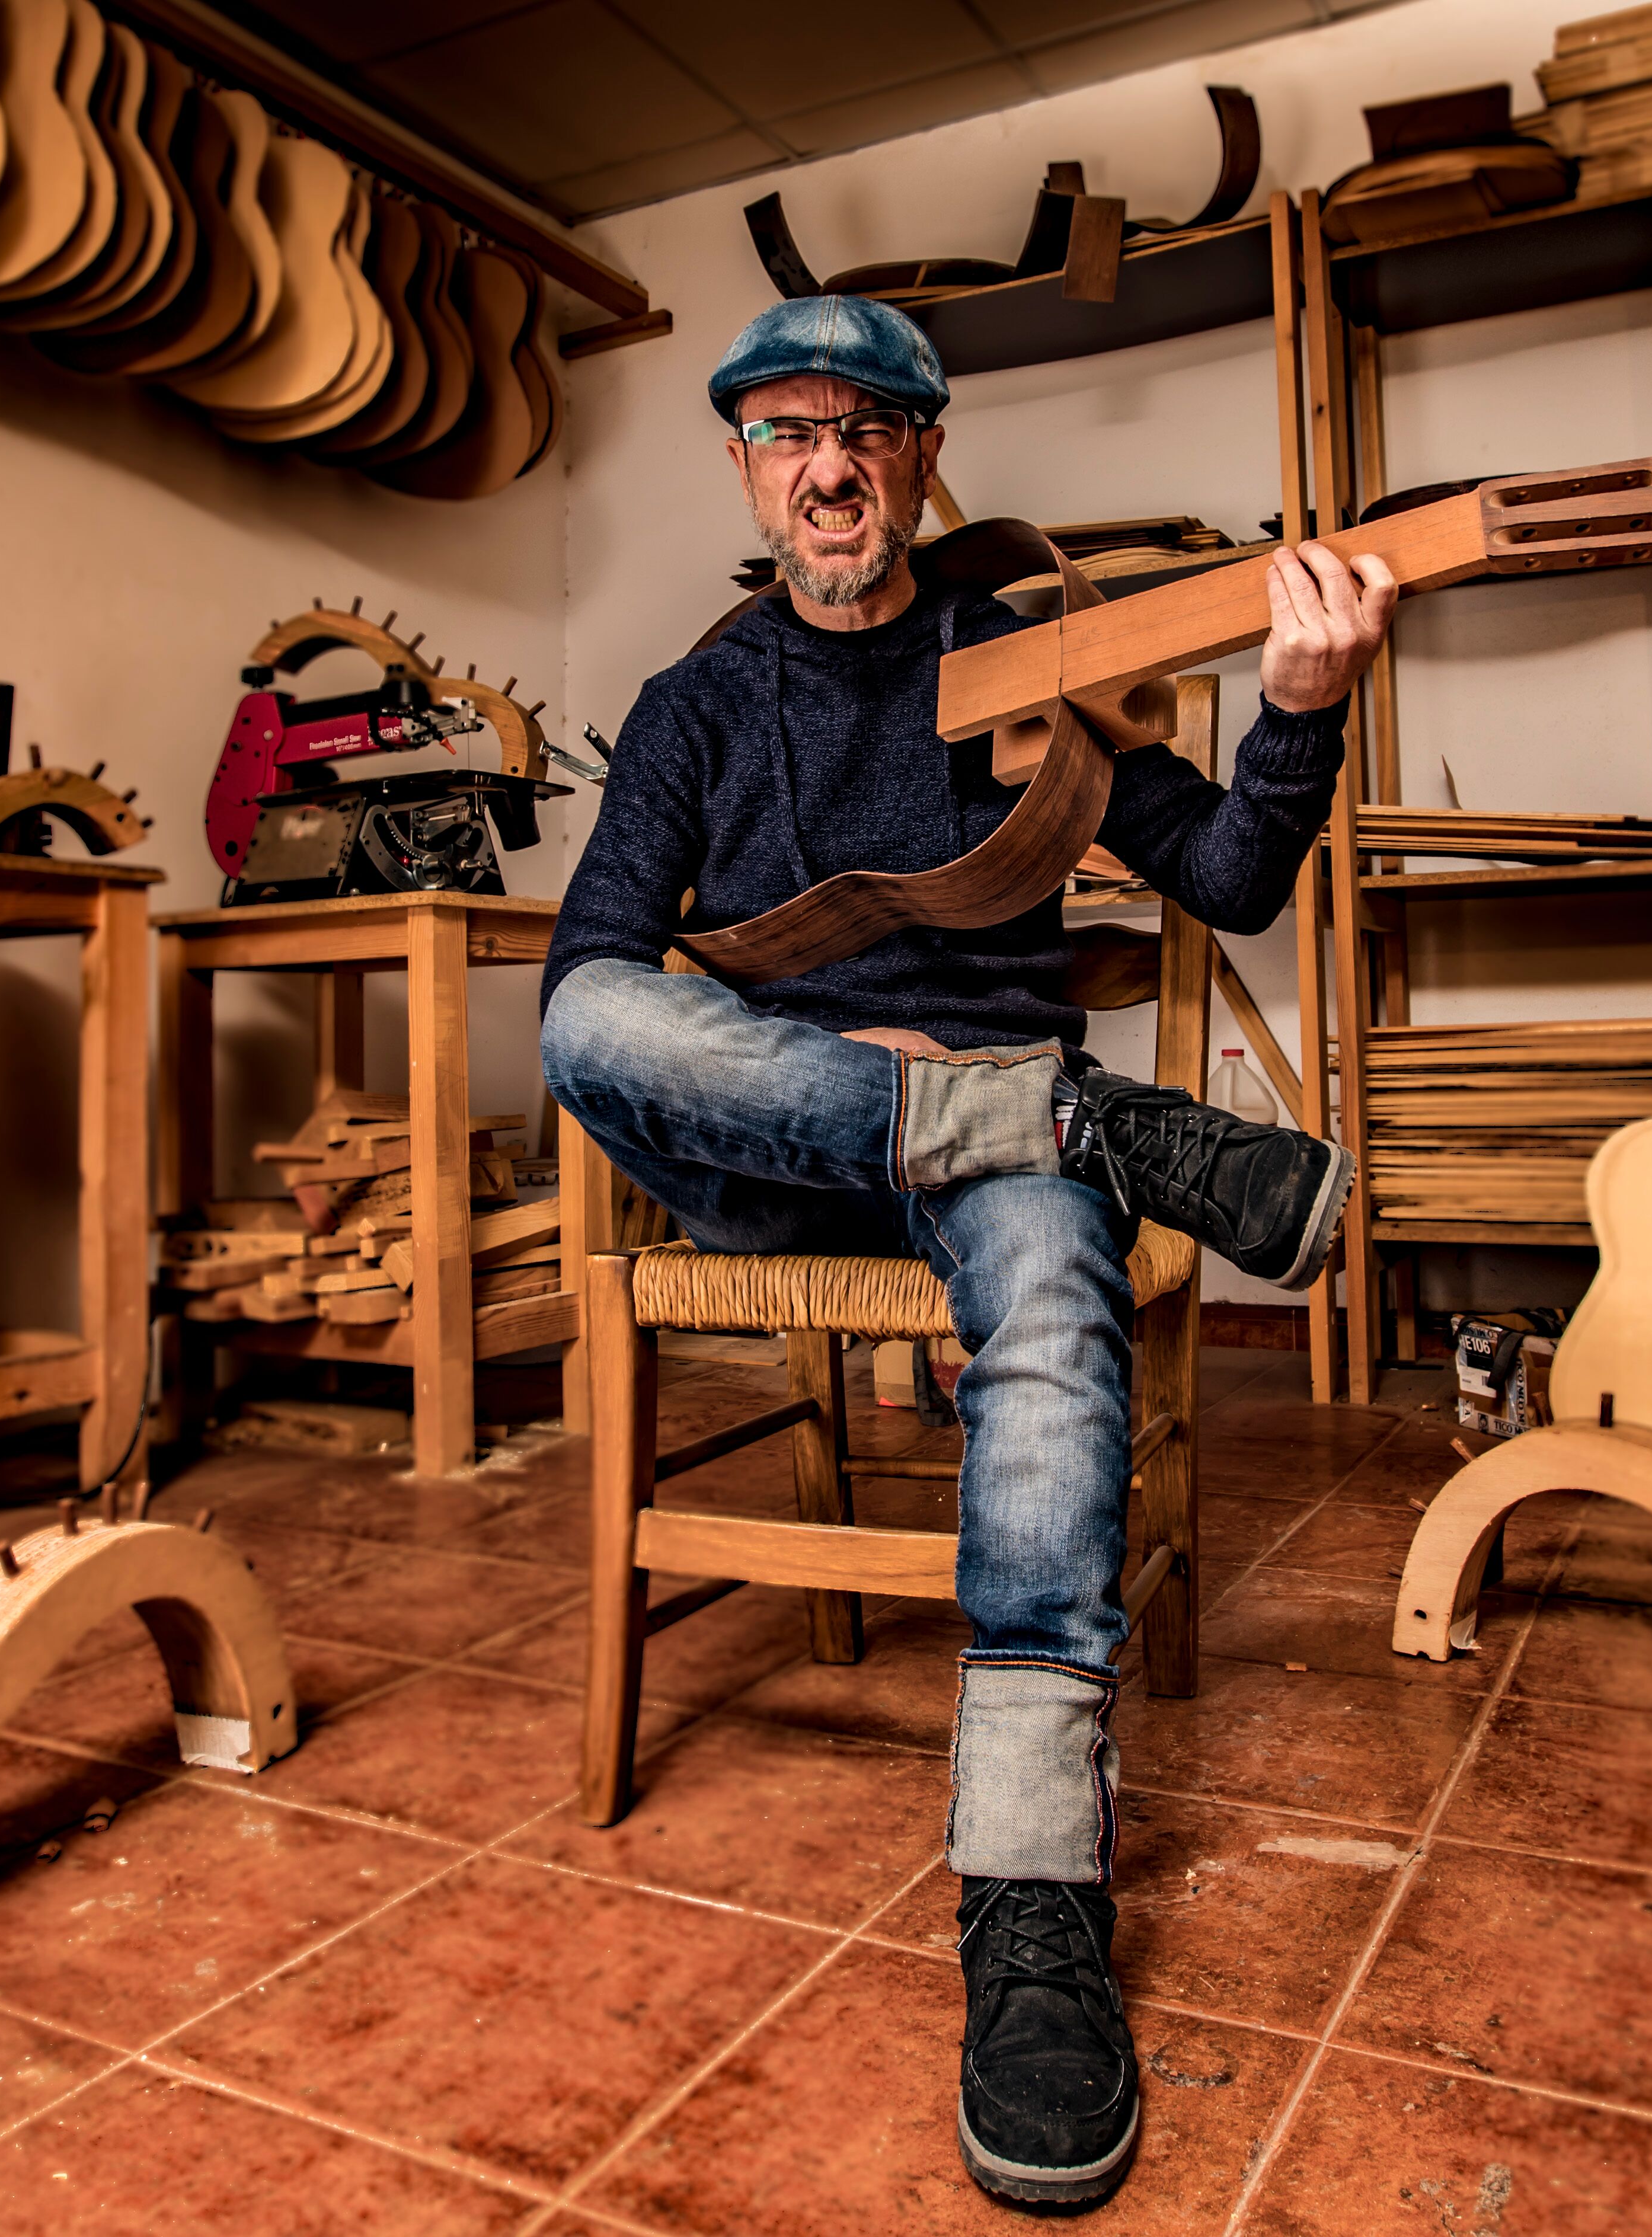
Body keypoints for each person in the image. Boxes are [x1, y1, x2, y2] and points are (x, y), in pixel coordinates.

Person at [537, 295, 1395, 2210]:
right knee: (590, 1022)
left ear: (924, 458)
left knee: (1055, 1299)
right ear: (748, 472)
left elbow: (1236, 878)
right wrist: (866, 1070)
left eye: (865, 427)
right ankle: (1079, 1122)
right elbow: (597, 975)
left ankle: (1032, 1897)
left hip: (989, 1171)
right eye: (787, 432)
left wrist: (1304, 704)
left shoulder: (1027, 659)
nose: (828, 465)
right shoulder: (693, 708)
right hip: (789, 1149)